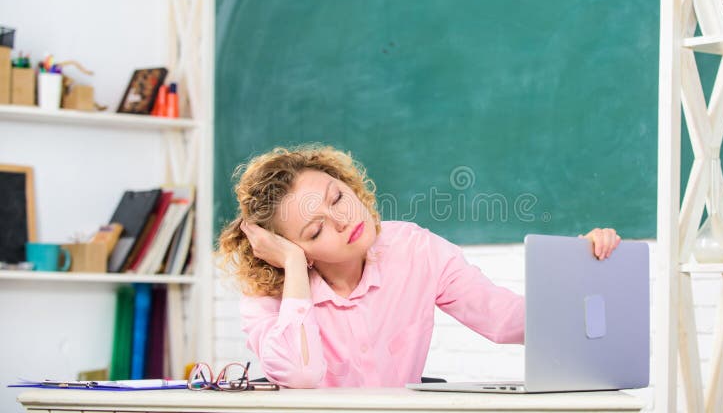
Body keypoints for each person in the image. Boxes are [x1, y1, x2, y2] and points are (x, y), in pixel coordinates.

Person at [217, 144, 621, 388]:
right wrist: (291, 267)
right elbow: (301, 376)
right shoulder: (271, 295)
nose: (344, 220)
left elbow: (503, 319)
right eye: (316, 229)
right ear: (295, 250)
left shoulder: (413, 248)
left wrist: (578, 273)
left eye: (337, 197)